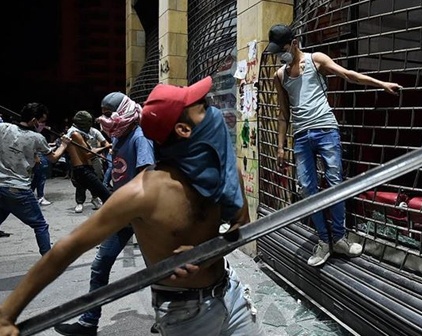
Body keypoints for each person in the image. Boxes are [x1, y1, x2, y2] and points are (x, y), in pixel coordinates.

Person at [0, 77, 264, 336]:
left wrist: (207, 253)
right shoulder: (143, 193)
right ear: (184, 130)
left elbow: (242, 226)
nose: (214, 112)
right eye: (203, 108)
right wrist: (7, 315)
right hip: (185, 314)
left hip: (232, 295)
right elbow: (68, 247)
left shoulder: (226, 169)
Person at [266, 24, 403, 266]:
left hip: (326, 130)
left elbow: (348, 74)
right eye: (277, 51)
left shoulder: (316, 60)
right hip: (301, 137)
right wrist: (280, 147)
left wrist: (381, 84)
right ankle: (323, 240)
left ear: (294, 43)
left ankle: (339, 238)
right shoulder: (280, 76)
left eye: (283, 49)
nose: (280, 55)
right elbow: (283, 113)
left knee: (334, 183)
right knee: (308, 188)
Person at [54, 92, 156, 336]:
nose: (106, 119)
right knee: (100, 265)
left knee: (157, 269)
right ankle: (89, 322)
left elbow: (146, 178)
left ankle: (167, 316)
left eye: (110, 114)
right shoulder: (119, 135)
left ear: (124, 111)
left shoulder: (140, 137)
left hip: (143, 216)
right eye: (104, 114)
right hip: (122, 215)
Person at [0, 102, 70, 253]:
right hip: (18, 188)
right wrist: (64, 144)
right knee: (40, 225)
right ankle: (49, 262)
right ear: (34, 121)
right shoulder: (37, 138)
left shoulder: (3, 128)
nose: (43, 125)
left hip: (1, 186)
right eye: (42, 121)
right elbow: (53, 158)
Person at [65, 110, 112, 213]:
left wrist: (107, 147)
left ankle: (96, 199)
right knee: (82, 185)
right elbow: (87, 154)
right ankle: (80, 202)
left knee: (99, 178)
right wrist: (104, 148)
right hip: (82, 166)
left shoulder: (91, 132)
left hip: (90, 162)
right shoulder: (75, 133)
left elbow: (103, 142)